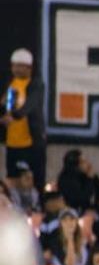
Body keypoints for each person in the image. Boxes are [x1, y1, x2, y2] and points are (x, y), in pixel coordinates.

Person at [3, 49, 46, 187]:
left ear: (29, 68)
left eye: (20, 66)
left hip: (31, 143)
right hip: (13, 142)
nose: (16, 69)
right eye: (14, 65)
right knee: (12, 179)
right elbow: (9, 108)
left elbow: (29, 105)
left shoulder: (36, 85)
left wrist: (14, 116)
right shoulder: (11, 84)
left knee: (33, 180)